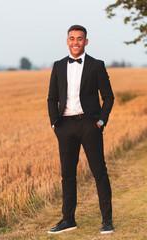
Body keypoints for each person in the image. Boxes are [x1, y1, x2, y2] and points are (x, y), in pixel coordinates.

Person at [47, 25, 114, 234]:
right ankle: (68, 220)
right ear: (67, 41)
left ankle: (107, 221)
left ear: (86, 41)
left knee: (99, 173)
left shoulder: (96, 65)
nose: (75, 42)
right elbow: (52, 98)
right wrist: (54, 123)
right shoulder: (58, 66)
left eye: (80, 39)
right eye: (72, 38)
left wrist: (101, 122)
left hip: (89, 125)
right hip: (65, 126)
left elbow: (108, 96)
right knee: (67, 175)